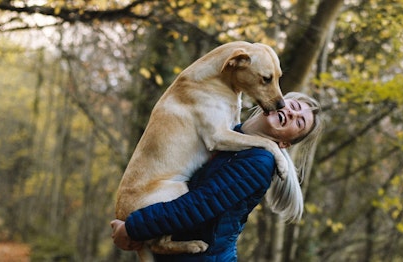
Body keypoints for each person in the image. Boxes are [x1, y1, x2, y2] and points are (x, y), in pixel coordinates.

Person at [110, 92, 323, 261]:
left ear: (285, 144)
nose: (293, 114)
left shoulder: (259, 162)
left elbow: (197, 205)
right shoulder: (226, 136)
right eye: (293, 106)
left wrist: (132, 228)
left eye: (299, 122)